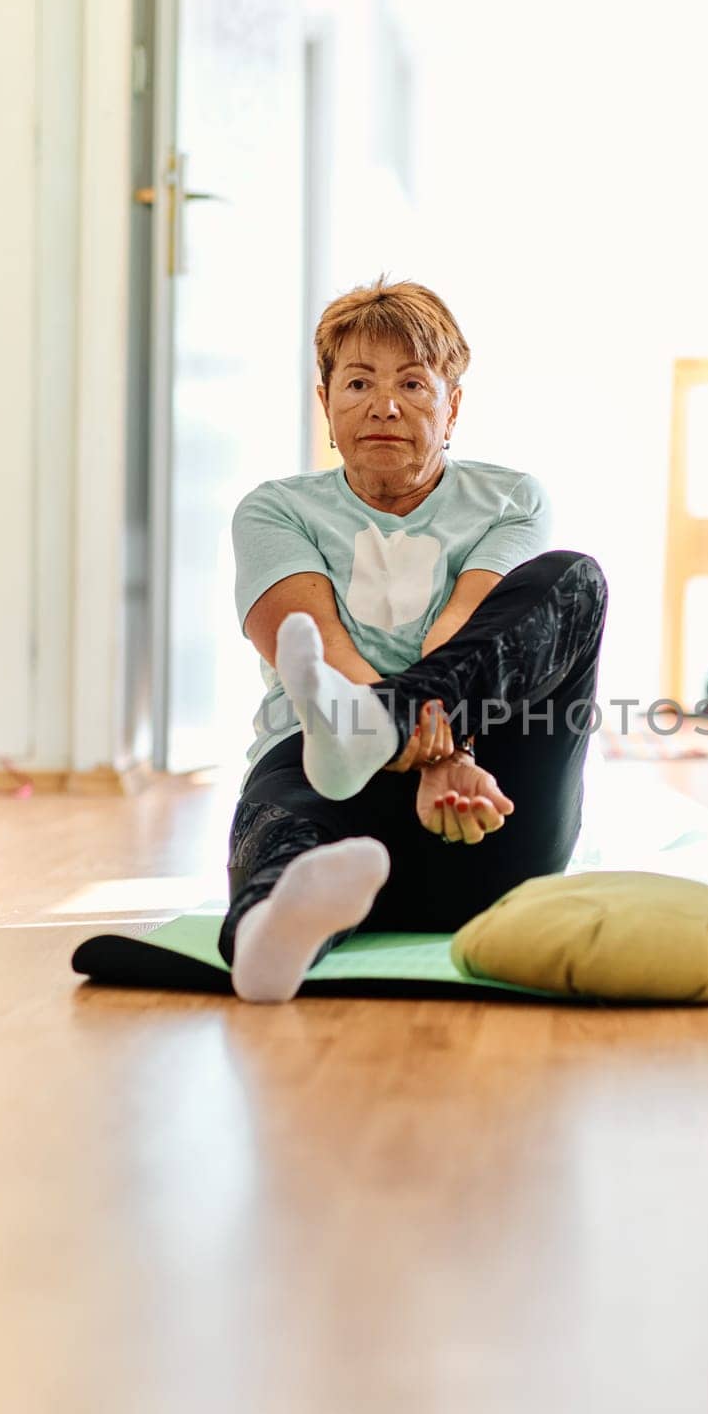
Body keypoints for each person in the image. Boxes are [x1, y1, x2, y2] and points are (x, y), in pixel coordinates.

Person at [220, 276, 608, 1002]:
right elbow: (318, 647)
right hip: (322, 781)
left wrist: (444, 749)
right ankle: (272, 935)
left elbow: (462, 633)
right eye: (358, 382)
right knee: (283, 840)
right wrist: (412, 749)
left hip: (480, 800)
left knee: (573, 579)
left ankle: (372, 728)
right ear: (326, 405)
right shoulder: (274, 510)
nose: (384, 405)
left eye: (412, 384)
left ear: (452, 404)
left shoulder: (508, 498)